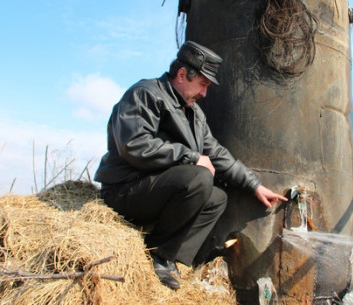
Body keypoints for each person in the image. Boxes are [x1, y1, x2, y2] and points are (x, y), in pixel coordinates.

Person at [94, 41, 287, 290]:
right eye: (203, 84)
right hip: (124, 189)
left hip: (155, 191)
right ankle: (159, 256)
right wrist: (191, 157)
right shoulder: (145, 94)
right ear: (183, 75)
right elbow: (133, 145)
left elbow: (216, 153)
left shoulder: (194, 114)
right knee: (199, 179)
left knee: (217, 197)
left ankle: (168, 255)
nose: (205, 94)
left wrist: (254, 186)